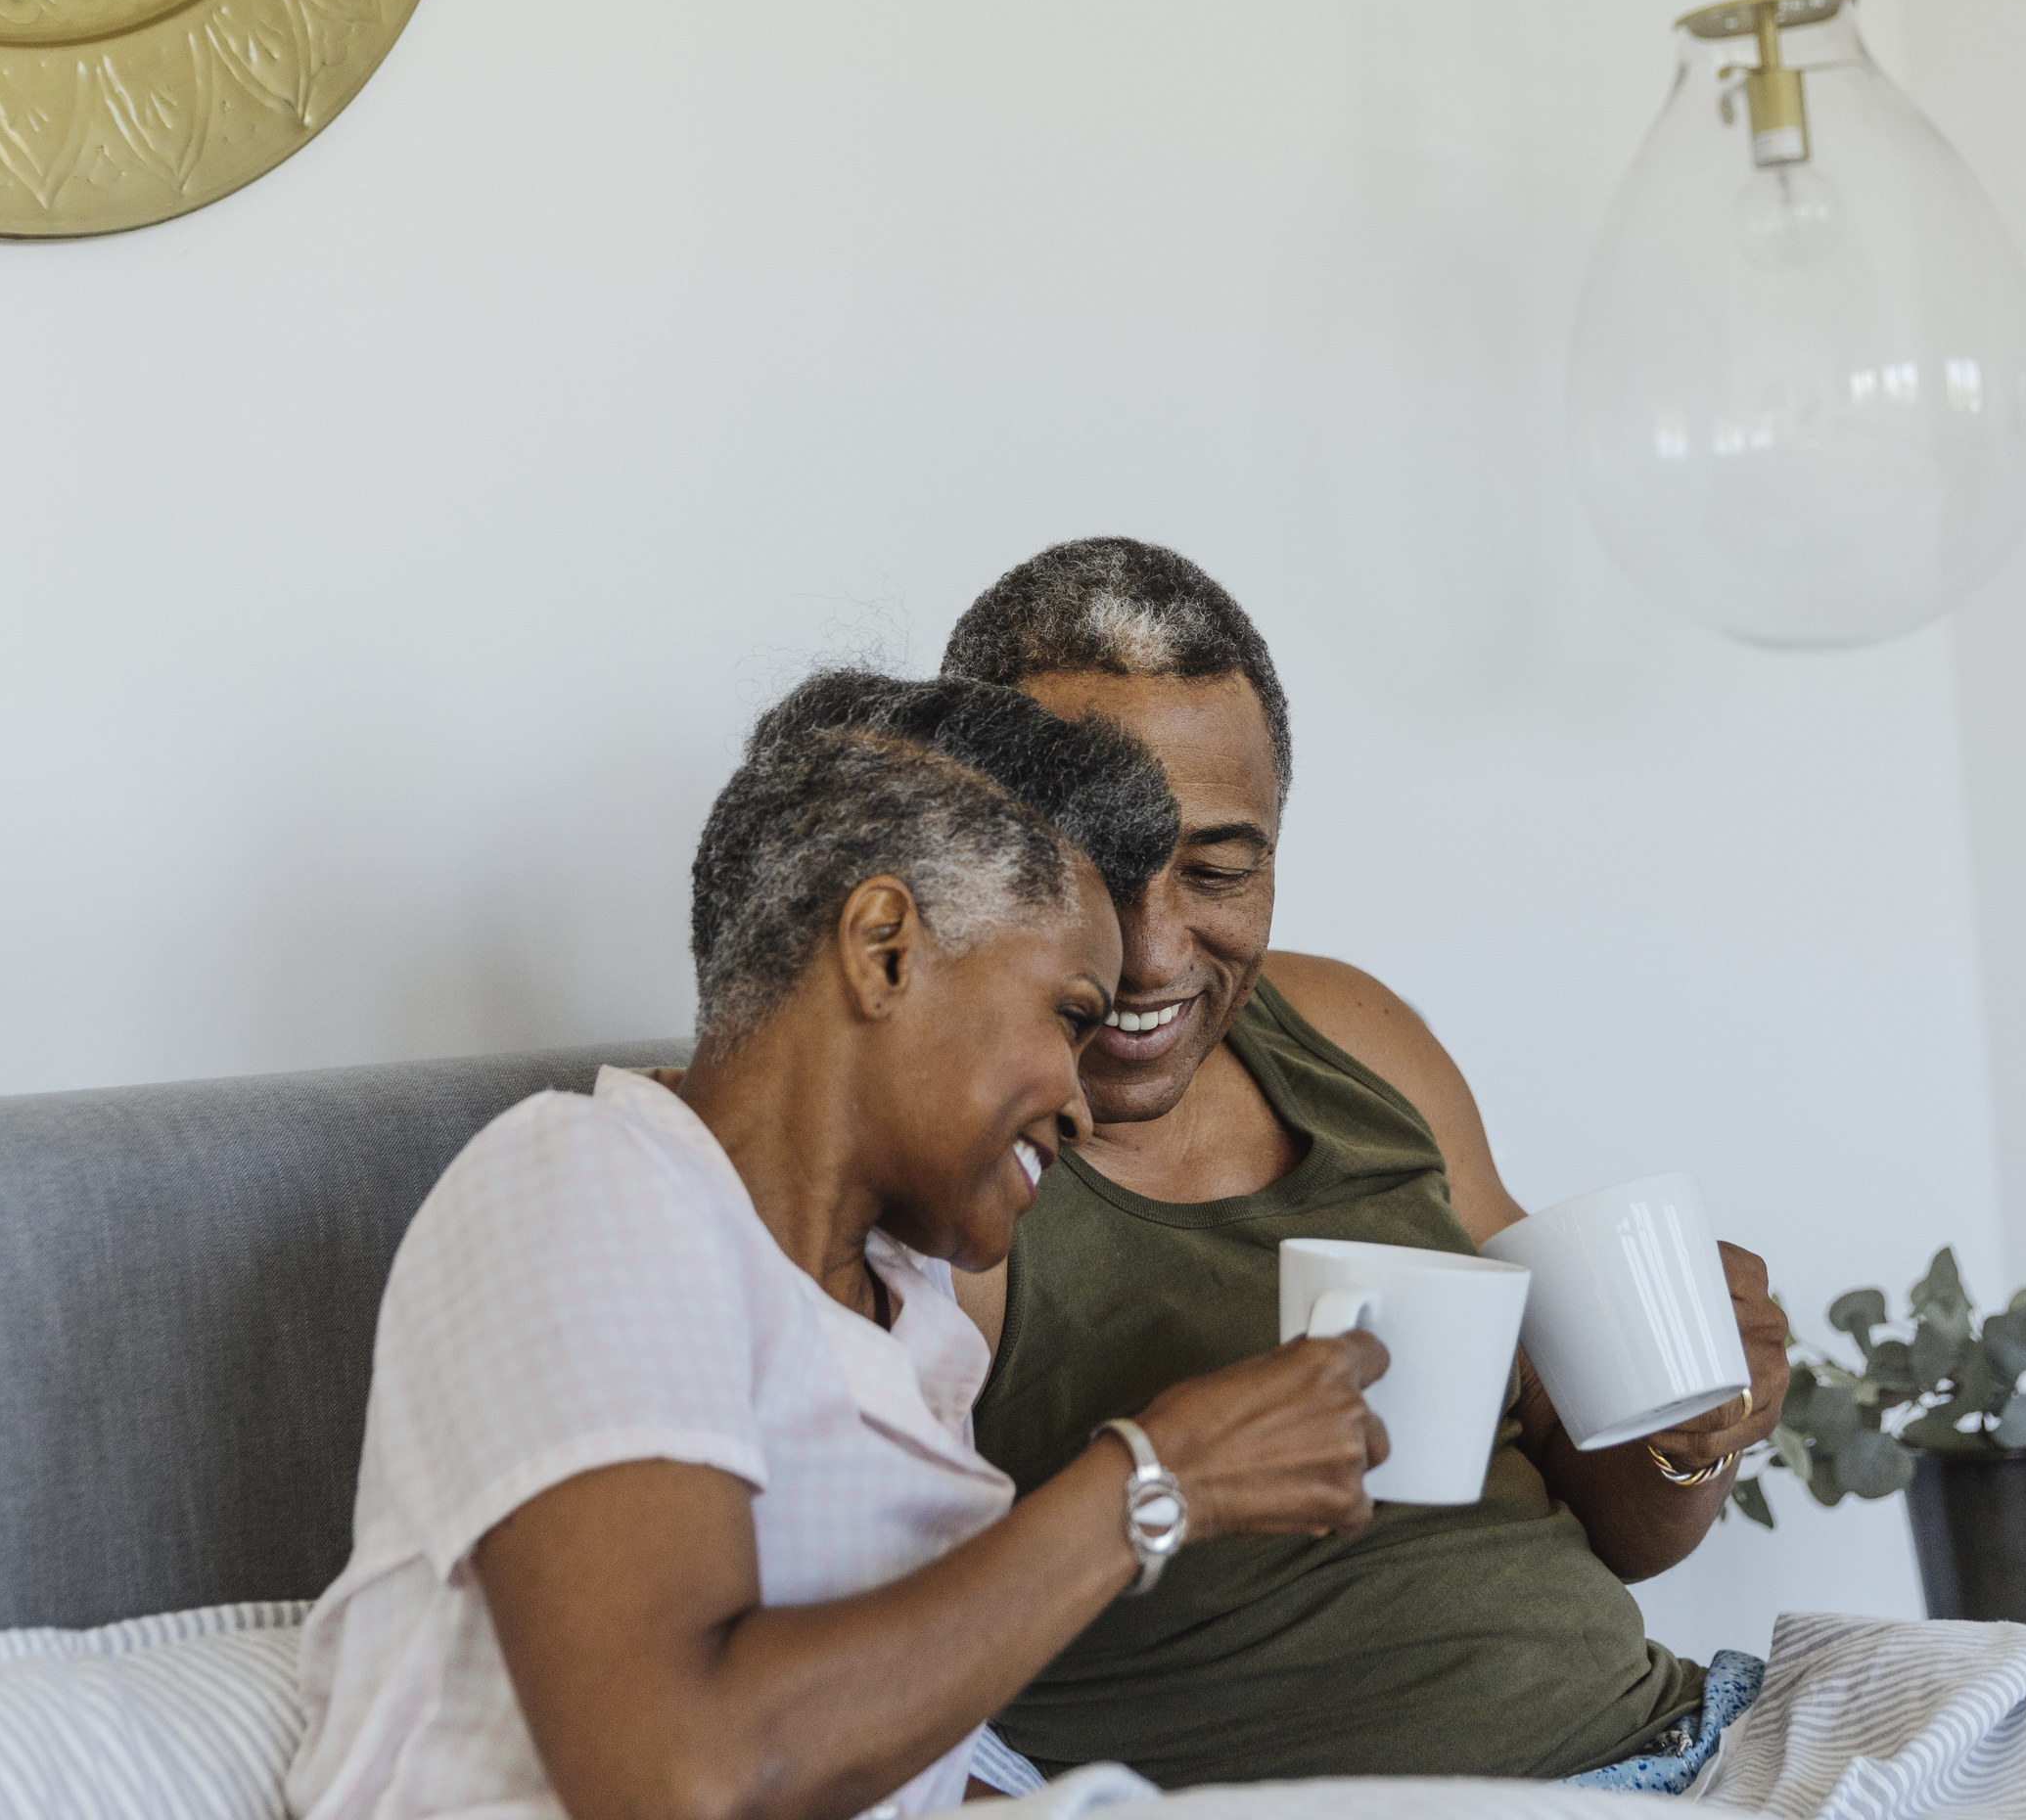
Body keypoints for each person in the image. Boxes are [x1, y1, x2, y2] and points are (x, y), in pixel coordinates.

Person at [288, 672, 1397, 1820]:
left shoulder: (912, 1307)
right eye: (1069, 1015)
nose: (1081, 1099)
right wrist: (1158, 1478)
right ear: (883, 949)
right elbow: (682, 1775)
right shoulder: (589, 1178)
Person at [942, 540, 1795, 1793]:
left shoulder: (1350, 1031)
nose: (1154, 948)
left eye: (1221, 869)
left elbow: (1609, 1519)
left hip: (1687, 1741)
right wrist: (1166, 1474)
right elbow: (859, 1668)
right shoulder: (934, 1160)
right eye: (1091, 864)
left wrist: (1694, 1430)